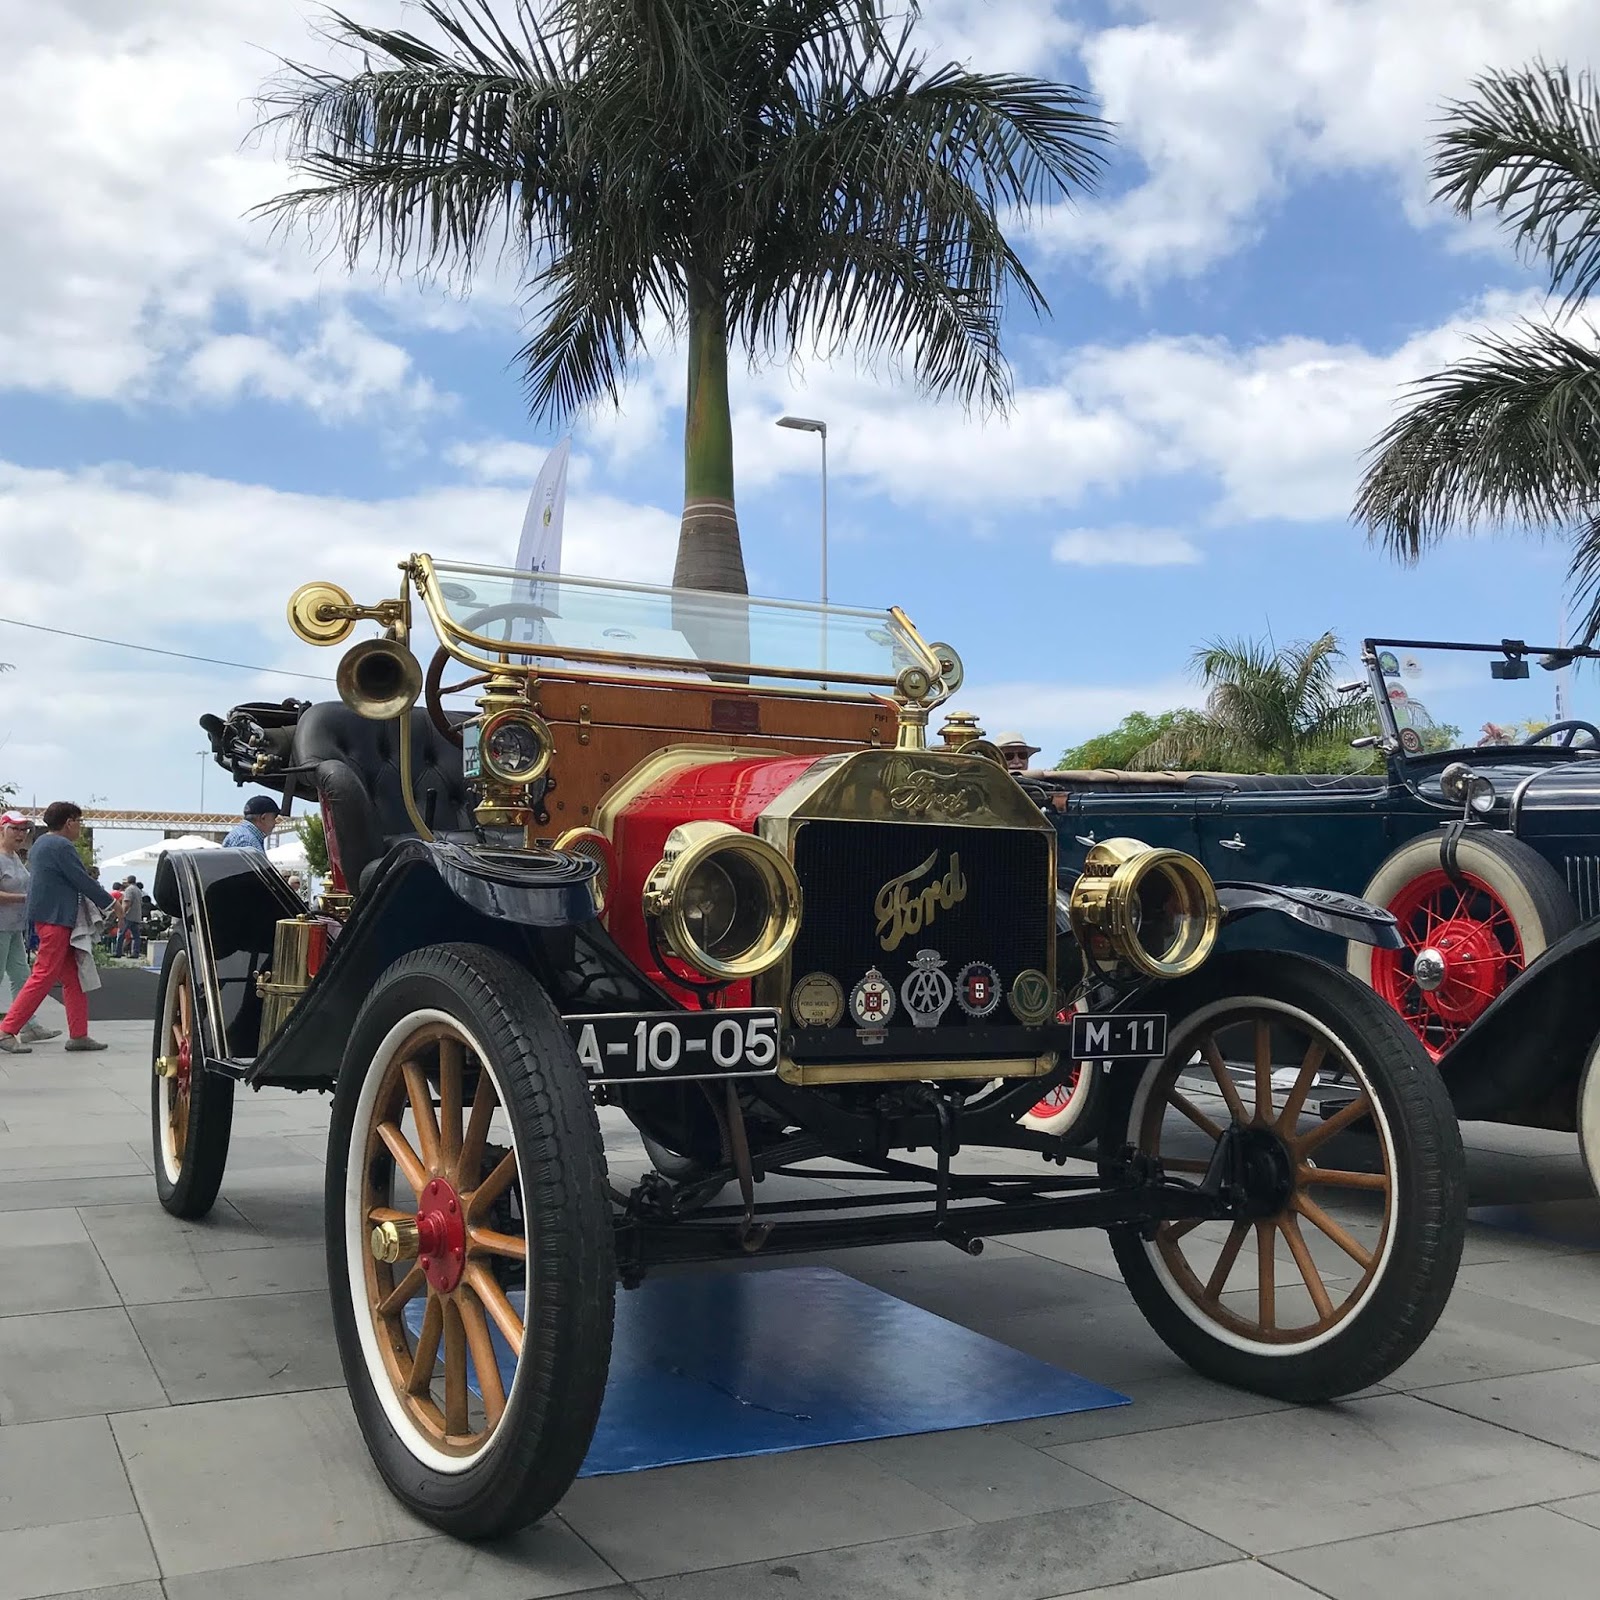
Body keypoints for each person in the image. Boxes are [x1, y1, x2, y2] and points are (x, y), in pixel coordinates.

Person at [0, 801, 113, 1053]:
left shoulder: (40, 844)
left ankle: (79, 1034)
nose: (80, 827)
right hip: (56, 919)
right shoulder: (61, 846)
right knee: (43, 975)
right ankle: (7, 1030)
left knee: (72, 977)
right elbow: (81, 879)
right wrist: (111, 903)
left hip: (45, 919)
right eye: (79, 822)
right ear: (69, 822)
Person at [0, 813, 58, 1043]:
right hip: (2, 927)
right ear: (2, 830)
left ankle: (28, 1024)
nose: (21, 834)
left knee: (21, 976)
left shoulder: (15, 858)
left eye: (24, 830)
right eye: (15, 829)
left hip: (14, 927)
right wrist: (25, 898)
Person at [116, 876, 144, 959]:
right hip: (136, 916)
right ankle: (135, 952)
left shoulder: (129, 890)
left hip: (128, 916)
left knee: (121, 934)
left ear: (128, 881)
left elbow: (127, 902)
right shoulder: (138, 890)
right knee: (136, 936)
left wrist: (122, 914)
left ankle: (118, 952)